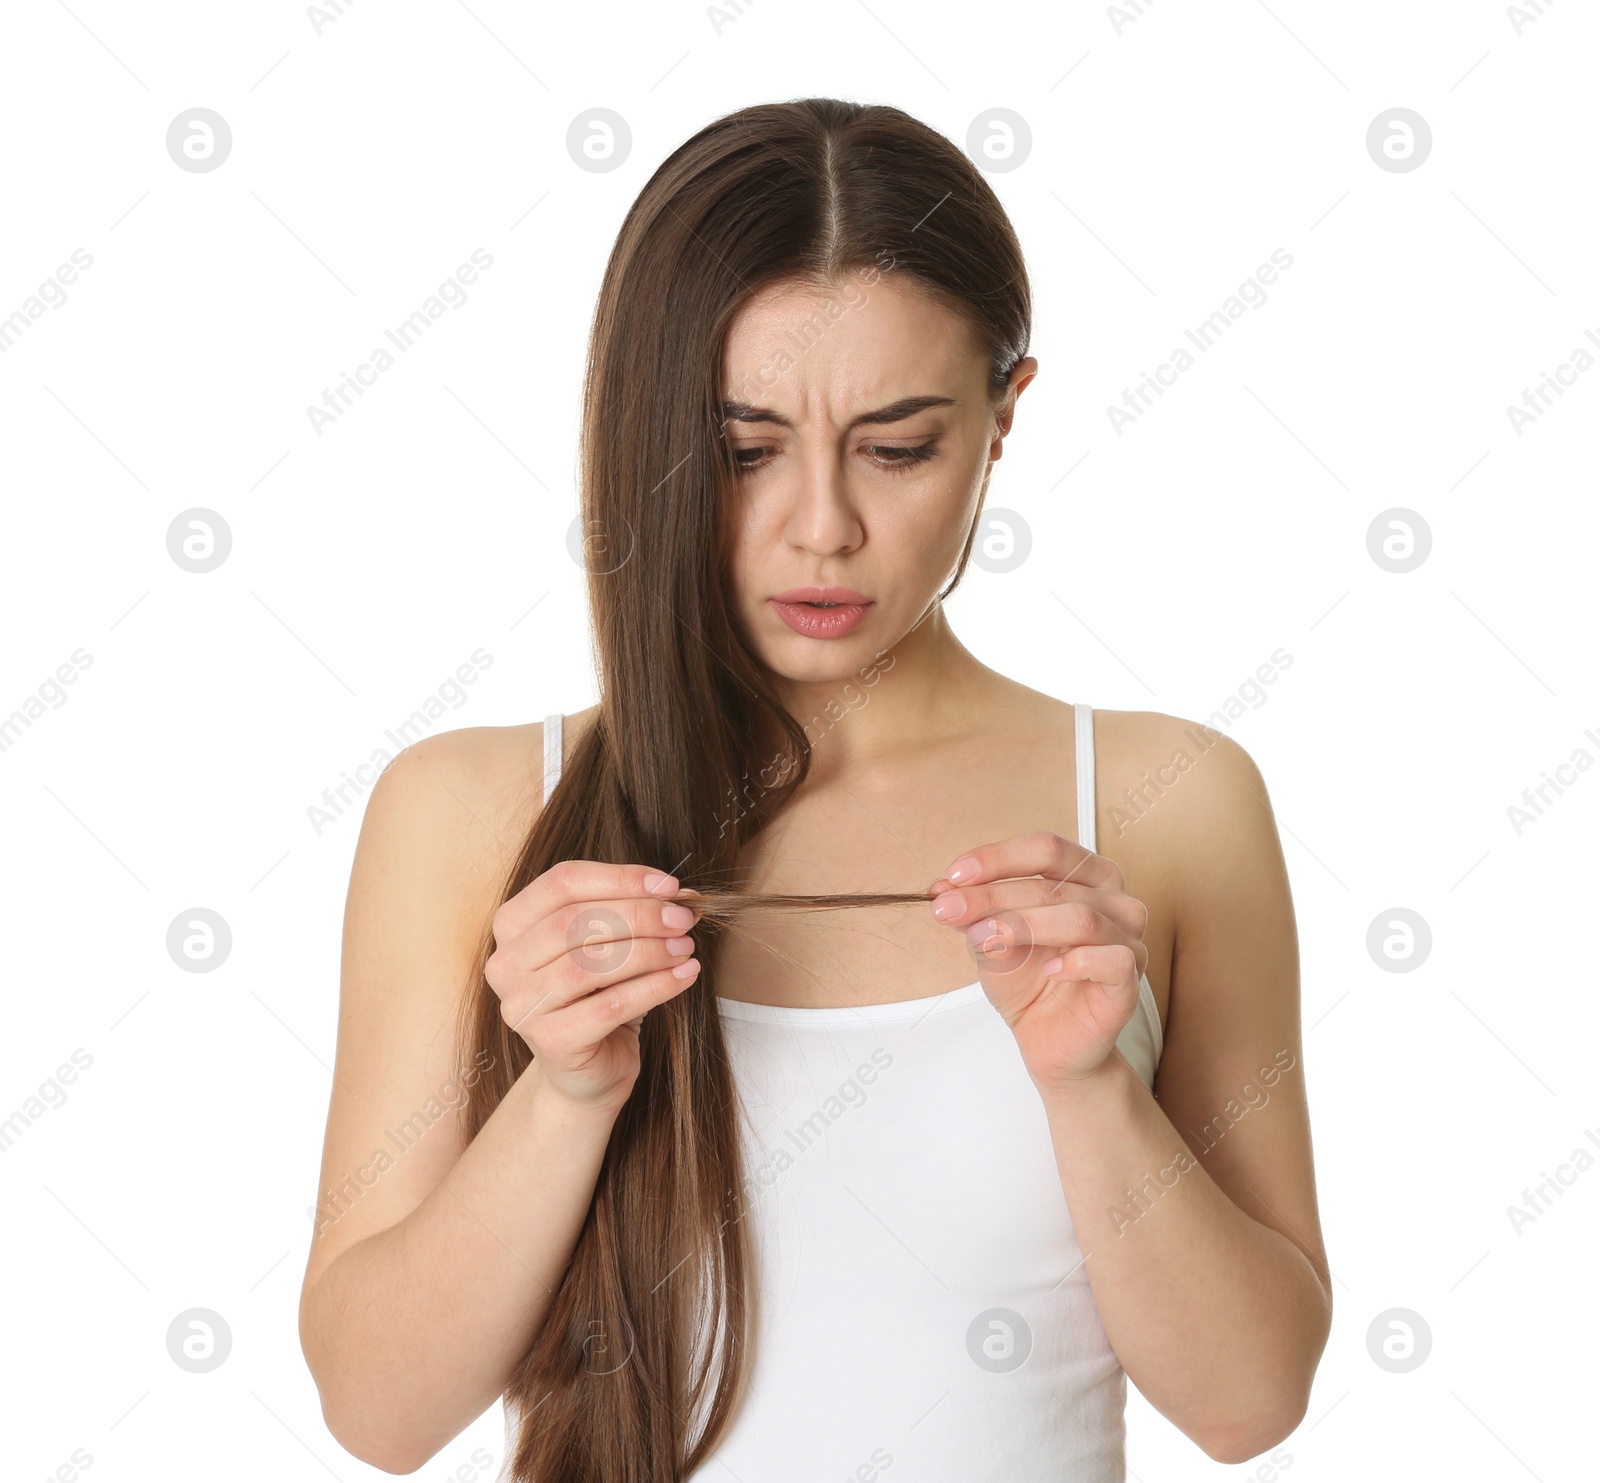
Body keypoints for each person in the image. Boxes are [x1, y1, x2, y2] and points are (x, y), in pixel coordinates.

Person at [297, 96, 1330, 1481]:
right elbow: (377, 1410)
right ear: (645, 432)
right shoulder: (472, 809)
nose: (823, 527)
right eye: (743, 452)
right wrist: (564, 1096)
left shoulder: (1164, 800)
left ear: (1005, 418)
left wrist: (1094, 1092)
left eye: (900, 447)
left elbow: (1250, 1402)